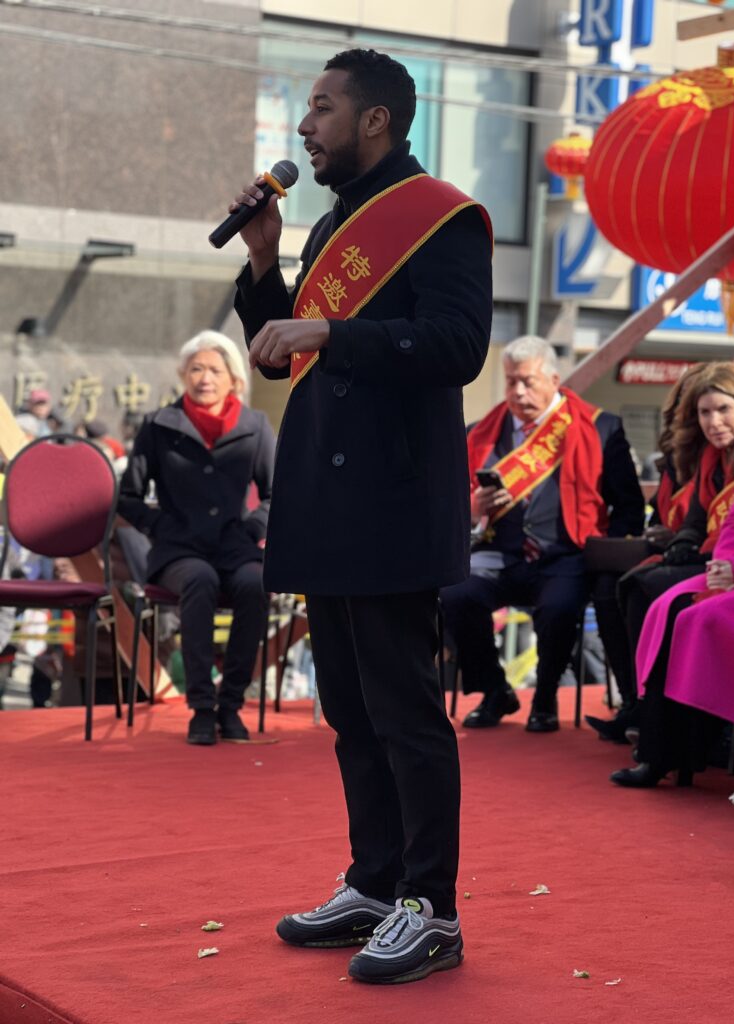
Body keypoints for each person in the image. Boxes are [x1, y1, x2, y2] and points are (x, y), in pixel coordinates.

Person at [231, 48, 493, 984]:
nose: (305, 127)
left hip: (390, 495)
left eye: (322, 108)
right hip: (325, 496)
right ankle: (377, 882)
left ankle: (435, 907)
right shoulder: (333, 225)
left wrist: (331, 329)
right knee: (348, 708)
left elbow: (459, 346)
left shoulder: (443, 220)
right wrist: (265, 261)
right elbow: (278, 353)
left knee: (404, 711)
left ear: (375, 120)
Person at [440, 336, 644, 734]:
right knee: (455, 593)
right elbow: (449, 502)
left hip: (565, 553)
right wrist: (474, 508)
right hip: (497, 549)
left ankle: (546, 696)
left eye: (528, 382)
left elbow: (630, 506)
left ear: (554, 379)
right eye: (511, 381)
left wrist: (607, 553)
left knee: (561, 606)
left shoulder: (602, 428)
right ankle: (495, 690)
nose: (518, 392)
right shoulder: (479, 432)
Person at [611, 365, 734, 787]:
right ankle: (662, 748)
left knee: (688, 612)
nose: (713, 421)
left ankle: (682, 748)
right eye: (705, 411)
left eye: (723, 409)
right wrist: (727, 566)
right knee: (664, 603)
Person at [118, 330, 275, 745]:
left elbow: (279, 494)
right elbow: (128, 497)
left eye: (214, 370)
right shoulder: (157, 425)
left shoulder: (255, 426)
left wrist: (253, 529)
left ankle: (232, 704)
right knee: (199, 581)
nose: (204, 377)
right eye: (196, 369)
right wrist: (160, 527)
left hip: (236, 544)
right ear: (184, 375)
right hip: (179, 550)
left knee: (255, 585)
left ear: (233, 380)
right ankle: (202, 708)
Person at [585, 363, 708, 744]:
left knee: (640, 587)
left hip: (707, 558)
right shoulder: (675, 455)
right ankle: (632, 702)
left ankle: (660, 720)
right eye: (693, 409)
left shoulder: (725, 454)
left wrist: (678, 536)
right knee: (606, 587)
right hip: (672, 548)